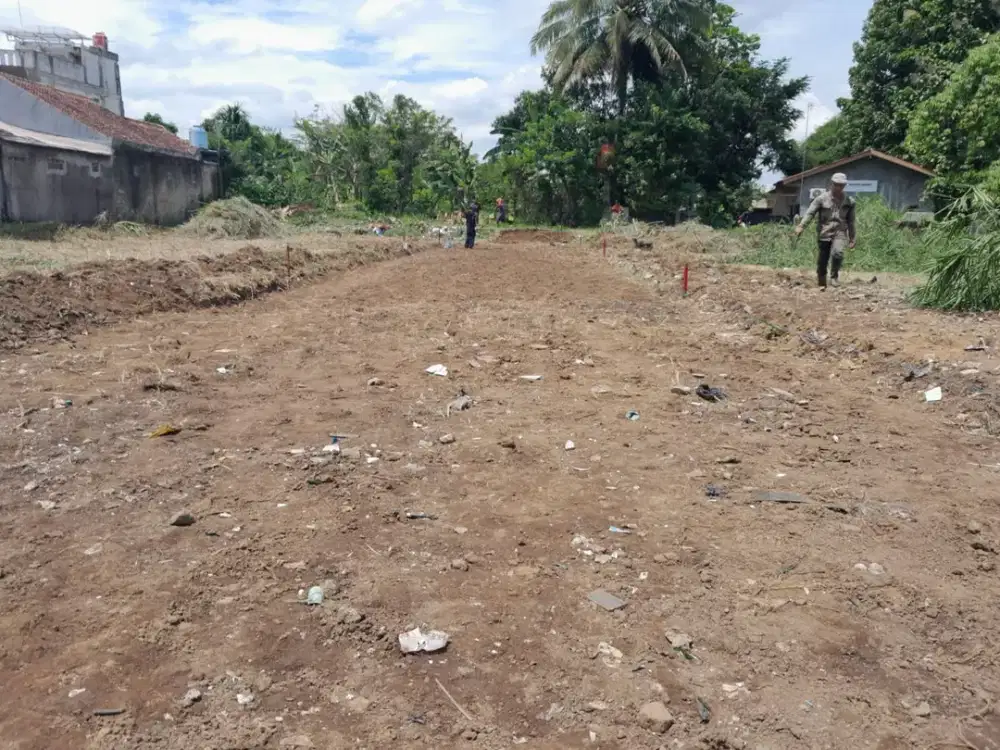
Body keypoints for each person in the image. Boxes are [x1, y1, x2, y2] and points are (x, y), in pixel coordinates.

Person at [794, 172, 856, 288]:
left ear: (844, 186)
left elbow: (851, 221)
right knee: (823, 258)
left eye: (841, 185)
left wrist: (852, 237)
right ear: (832, 184)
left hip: (840, 231)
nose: (839, 187)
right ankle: (821, 278)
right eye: (836, 184)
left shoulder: (850, 201)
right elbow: (810, 213)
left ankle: (834, 277)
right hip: (824, 231)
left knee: (838, 253)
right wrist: (801, 226)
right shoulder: (821, 199)